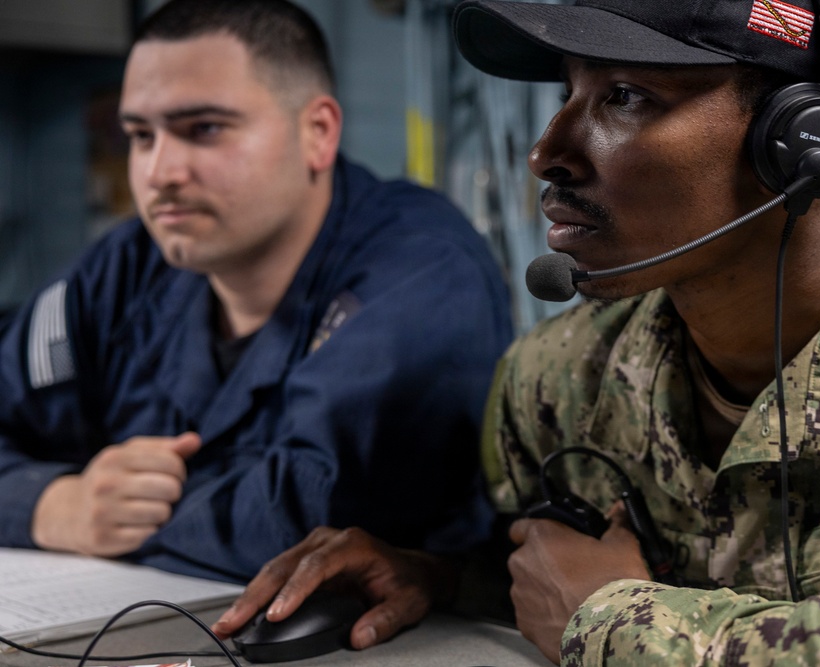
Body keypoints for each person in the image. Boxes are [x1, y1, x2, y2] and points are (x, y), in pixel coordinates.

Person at [217, 0, 820, 663]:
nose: (545, 153)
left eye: (624, 96)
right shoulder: (560, 378)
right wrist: (446, 578)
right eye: (569, 91)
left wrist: (611, 621)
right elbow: (577, 567)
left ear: (800, 143)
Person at [0, 0, 513, 588]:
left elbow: (311, 519)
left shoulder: (421, 267)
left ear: (317, 133)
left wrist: (126, 517)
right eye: (141, 136)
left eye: (205, 130)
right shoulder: (129, 267)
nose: (159, 171)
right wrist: (54, 506)